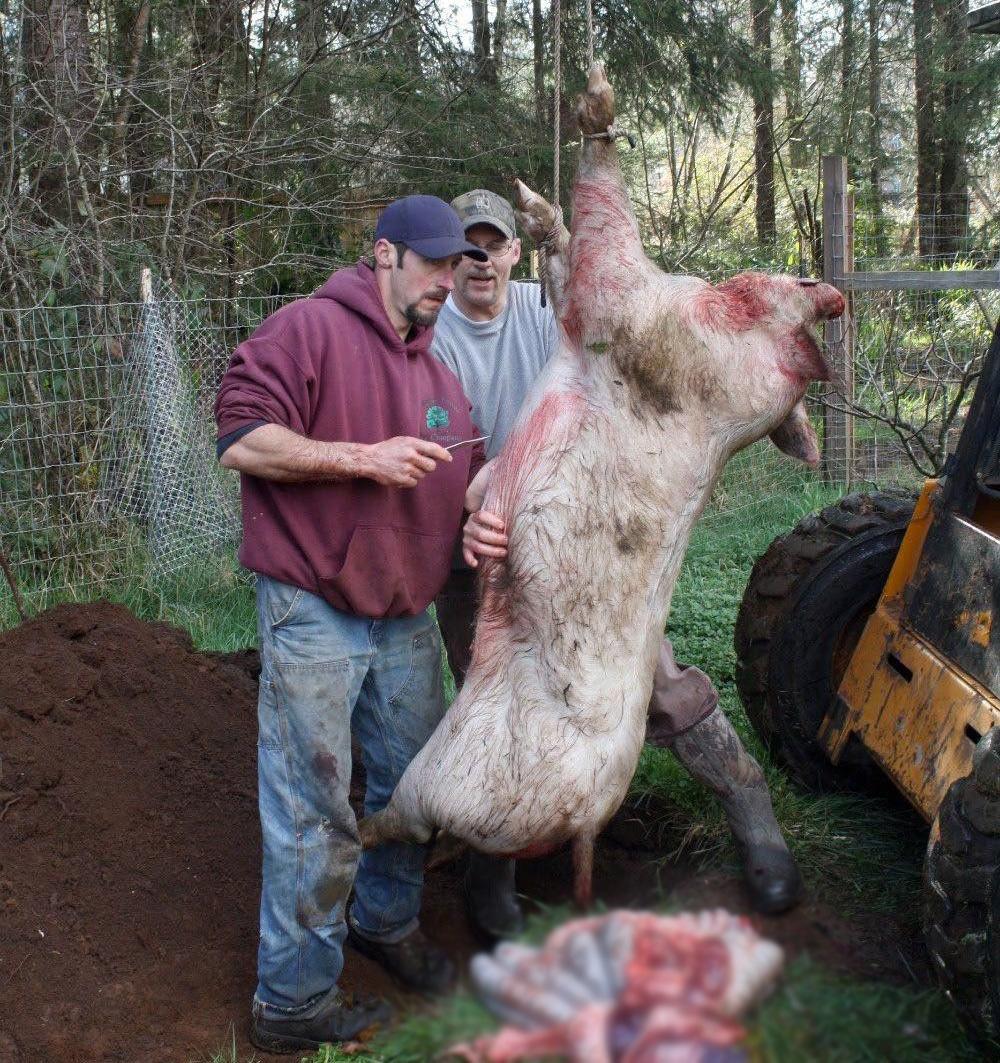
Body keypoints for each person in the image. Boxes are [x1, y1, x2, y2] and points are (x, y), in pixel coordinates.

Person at [431, 190, 803, 933]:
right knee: (495, 697)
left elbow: (639, 338)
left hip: (584, 535)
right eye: (462, 249)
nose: (478, 260)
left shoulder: (549, 315)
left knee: (652, 674)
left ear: (512, 253)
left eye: (491, 244)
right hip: (477, 549)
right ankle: (491, 866)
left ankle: (752, 813)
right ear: (446, 262)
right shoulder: (426, 334)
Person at [214, 195, 508, 1055]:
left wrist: (480, 521)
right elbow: (238, 436)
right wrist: (360, 457)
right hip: (314, 609)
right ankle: (292, 1002)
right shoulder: (309, 330)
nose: (447, 284)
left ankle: (386, 922)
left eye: (457, 269)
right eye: (433, 265)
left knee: (411, 789)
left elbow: (468, 487)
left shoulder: (440, 377)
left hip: (404, 613)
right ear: (384, 255)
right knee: (314, 807)